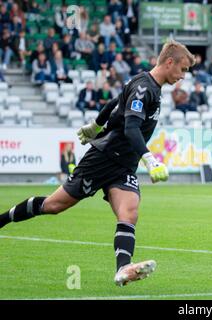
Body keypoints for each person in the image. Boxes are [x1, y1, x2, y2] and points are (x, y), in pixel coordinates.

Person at [0, 40, 195, 286]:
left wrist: (95, 125)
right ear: (169, 62)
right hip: (102, 159)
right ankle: (2, 220)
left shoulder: (148, 85)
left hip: (123, 165)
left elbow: (115, 102)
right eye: (183, 69)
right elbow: (131, 126)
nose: (183, 76)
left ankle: (123, 269)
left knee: (129, 212)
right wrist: (150, 159)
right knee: (53, 206)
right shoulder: (145, 88)